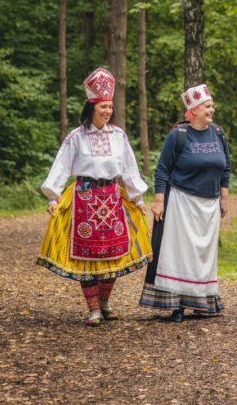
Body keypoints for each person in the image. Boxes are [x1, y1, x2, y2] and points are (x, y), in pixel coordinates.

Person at [38, 67, 153, 326]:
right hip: (84, 199)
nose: (108, 111)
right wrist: (53, 197)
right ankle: (93, 309)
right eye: (103, 106)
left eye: (110, 106)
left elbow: (129, 167)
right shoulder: (76, 137)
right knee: (85, 257)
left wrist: (138, 197)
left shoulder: (119, 136)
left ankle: (104, 302)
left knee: (113, 253)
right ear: (92, 106)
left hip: (112, 199)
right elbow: (61, 166)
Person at [139, 83, 231, 322]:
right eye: (207, 106)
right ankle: (177, 304)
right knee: (180, 253)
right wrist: (159, 201)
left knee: (203, 255)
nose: (212, 110)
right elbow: (162, 170)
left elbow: (226, 167)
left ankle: (202, 301)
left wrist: (224, 198)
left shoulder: (218, 134)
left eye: (212, 106)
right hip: (182, 202)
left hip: (209, 206)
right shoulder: (178, 136)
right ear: (195, 110)